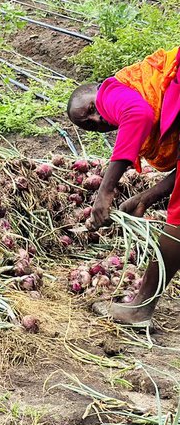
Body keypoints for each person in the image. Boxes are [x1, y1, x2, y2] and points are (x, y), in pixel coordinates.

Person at [68, 46, 180, 325]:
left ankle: (140, 307)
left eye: (91, 110)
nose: (97, 118)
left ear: (98, 92)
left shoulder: (112, 90)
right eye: (89, 125)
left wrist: (105, 190)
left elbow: (137, 114)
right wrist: (147, 197)